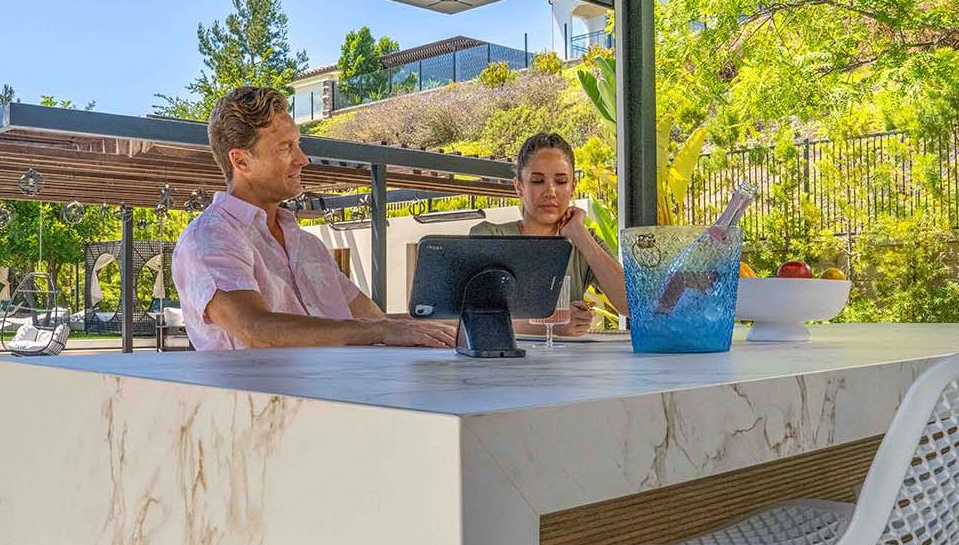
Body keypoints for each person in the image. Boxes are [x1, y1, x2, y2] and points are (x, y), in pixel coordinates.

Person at [172, 86, 455, 350]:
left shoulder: (308, 246)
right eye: (286, 147)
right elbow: (256, 329)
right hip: (263, 391)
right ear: (241, 161)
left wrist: (465, 321)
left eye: (298, 144)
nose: (303, 159)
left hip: (339, 386)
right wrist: (380, 330)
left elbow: (375, 320)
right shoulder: (209, 239)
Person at [469, 132, 627, 336]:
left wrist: (580, 235)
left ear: (573, 187)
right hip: (501, 357)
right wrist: (551, 323)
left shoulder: (584, 243)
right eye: (537, 181)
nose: (550, 191)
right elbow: (471, 318)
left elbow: (632, 305)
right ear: (519, 187)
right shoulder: (490, 237)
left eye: (561, 181)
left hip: (568, 357)